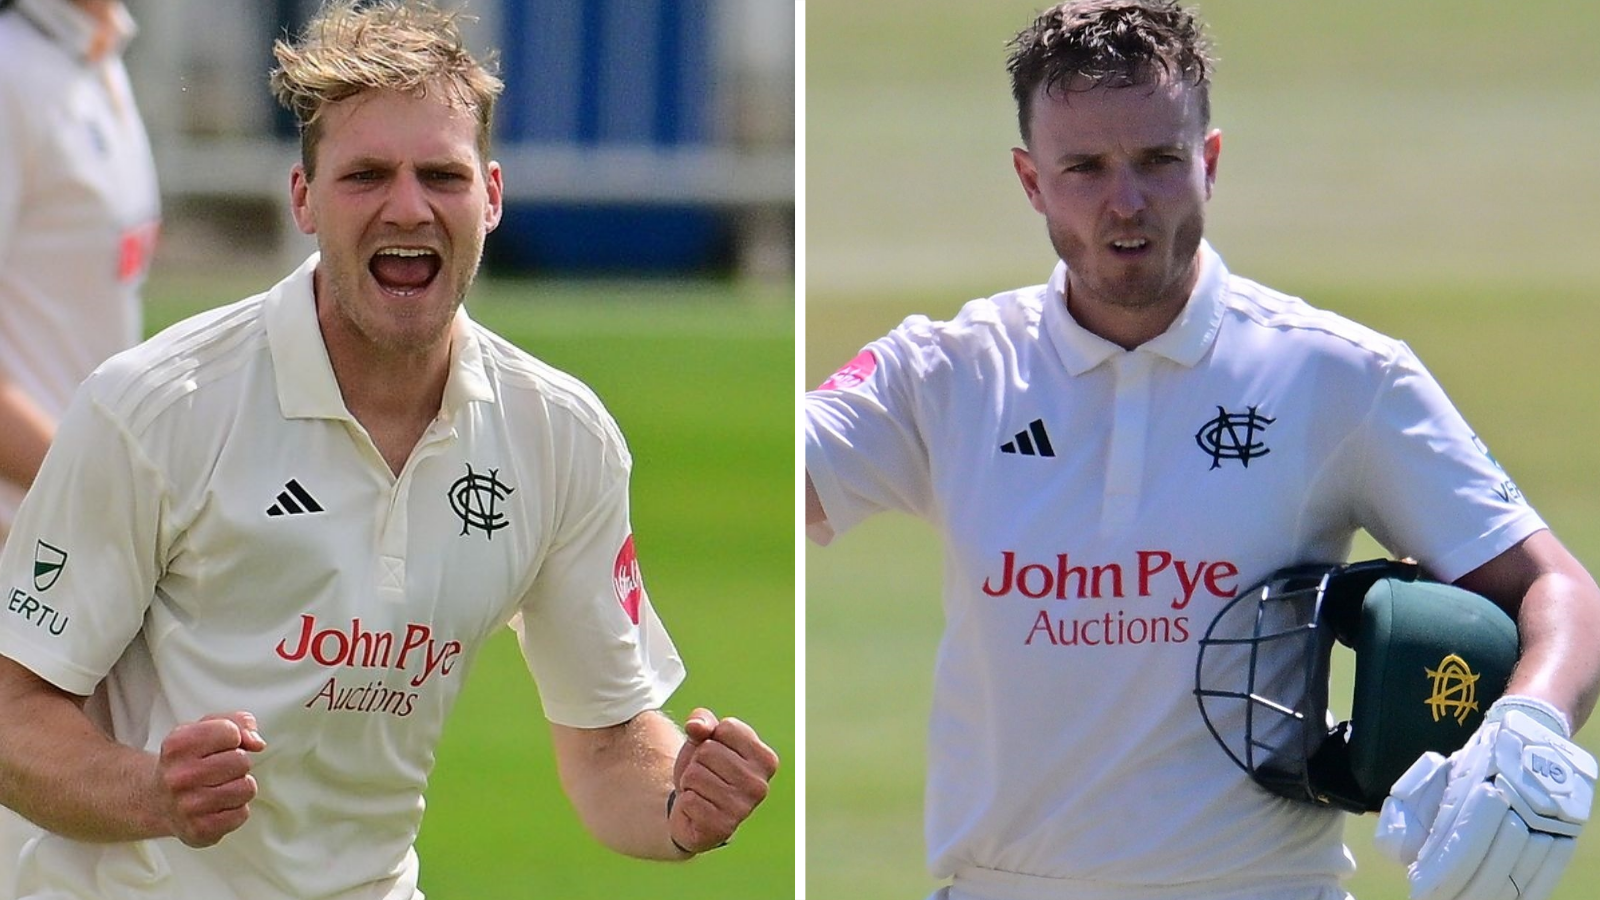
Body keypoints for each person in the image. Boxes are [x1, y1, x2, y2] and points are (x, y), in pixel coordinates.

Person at [804, 2, 1600, 900]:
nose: (1126, 203)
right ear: (1031, 180)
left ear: (1209, 162)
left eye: (1157, 161)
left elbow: (1559, 591)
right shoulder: (947, 372)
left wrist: (1530, 722)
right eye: (1084, 169)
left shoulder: (1340, 376)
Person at [0, 2, 778, 898]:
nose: (407, 207)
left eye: (440, 176)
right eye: (366, 174)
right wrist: (151, 793)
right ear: (304, 199)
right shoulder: (155, 408)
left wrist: (680, 798)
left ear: (491, 195)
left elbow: (608, 741)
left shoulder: (560, 434)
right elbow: (18, 718)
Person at [0, 0, 159, 543]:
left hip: (73, 539)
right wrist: (105, 497)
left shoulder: (100, 50)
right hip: (23, 538)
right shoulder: (10, 71)